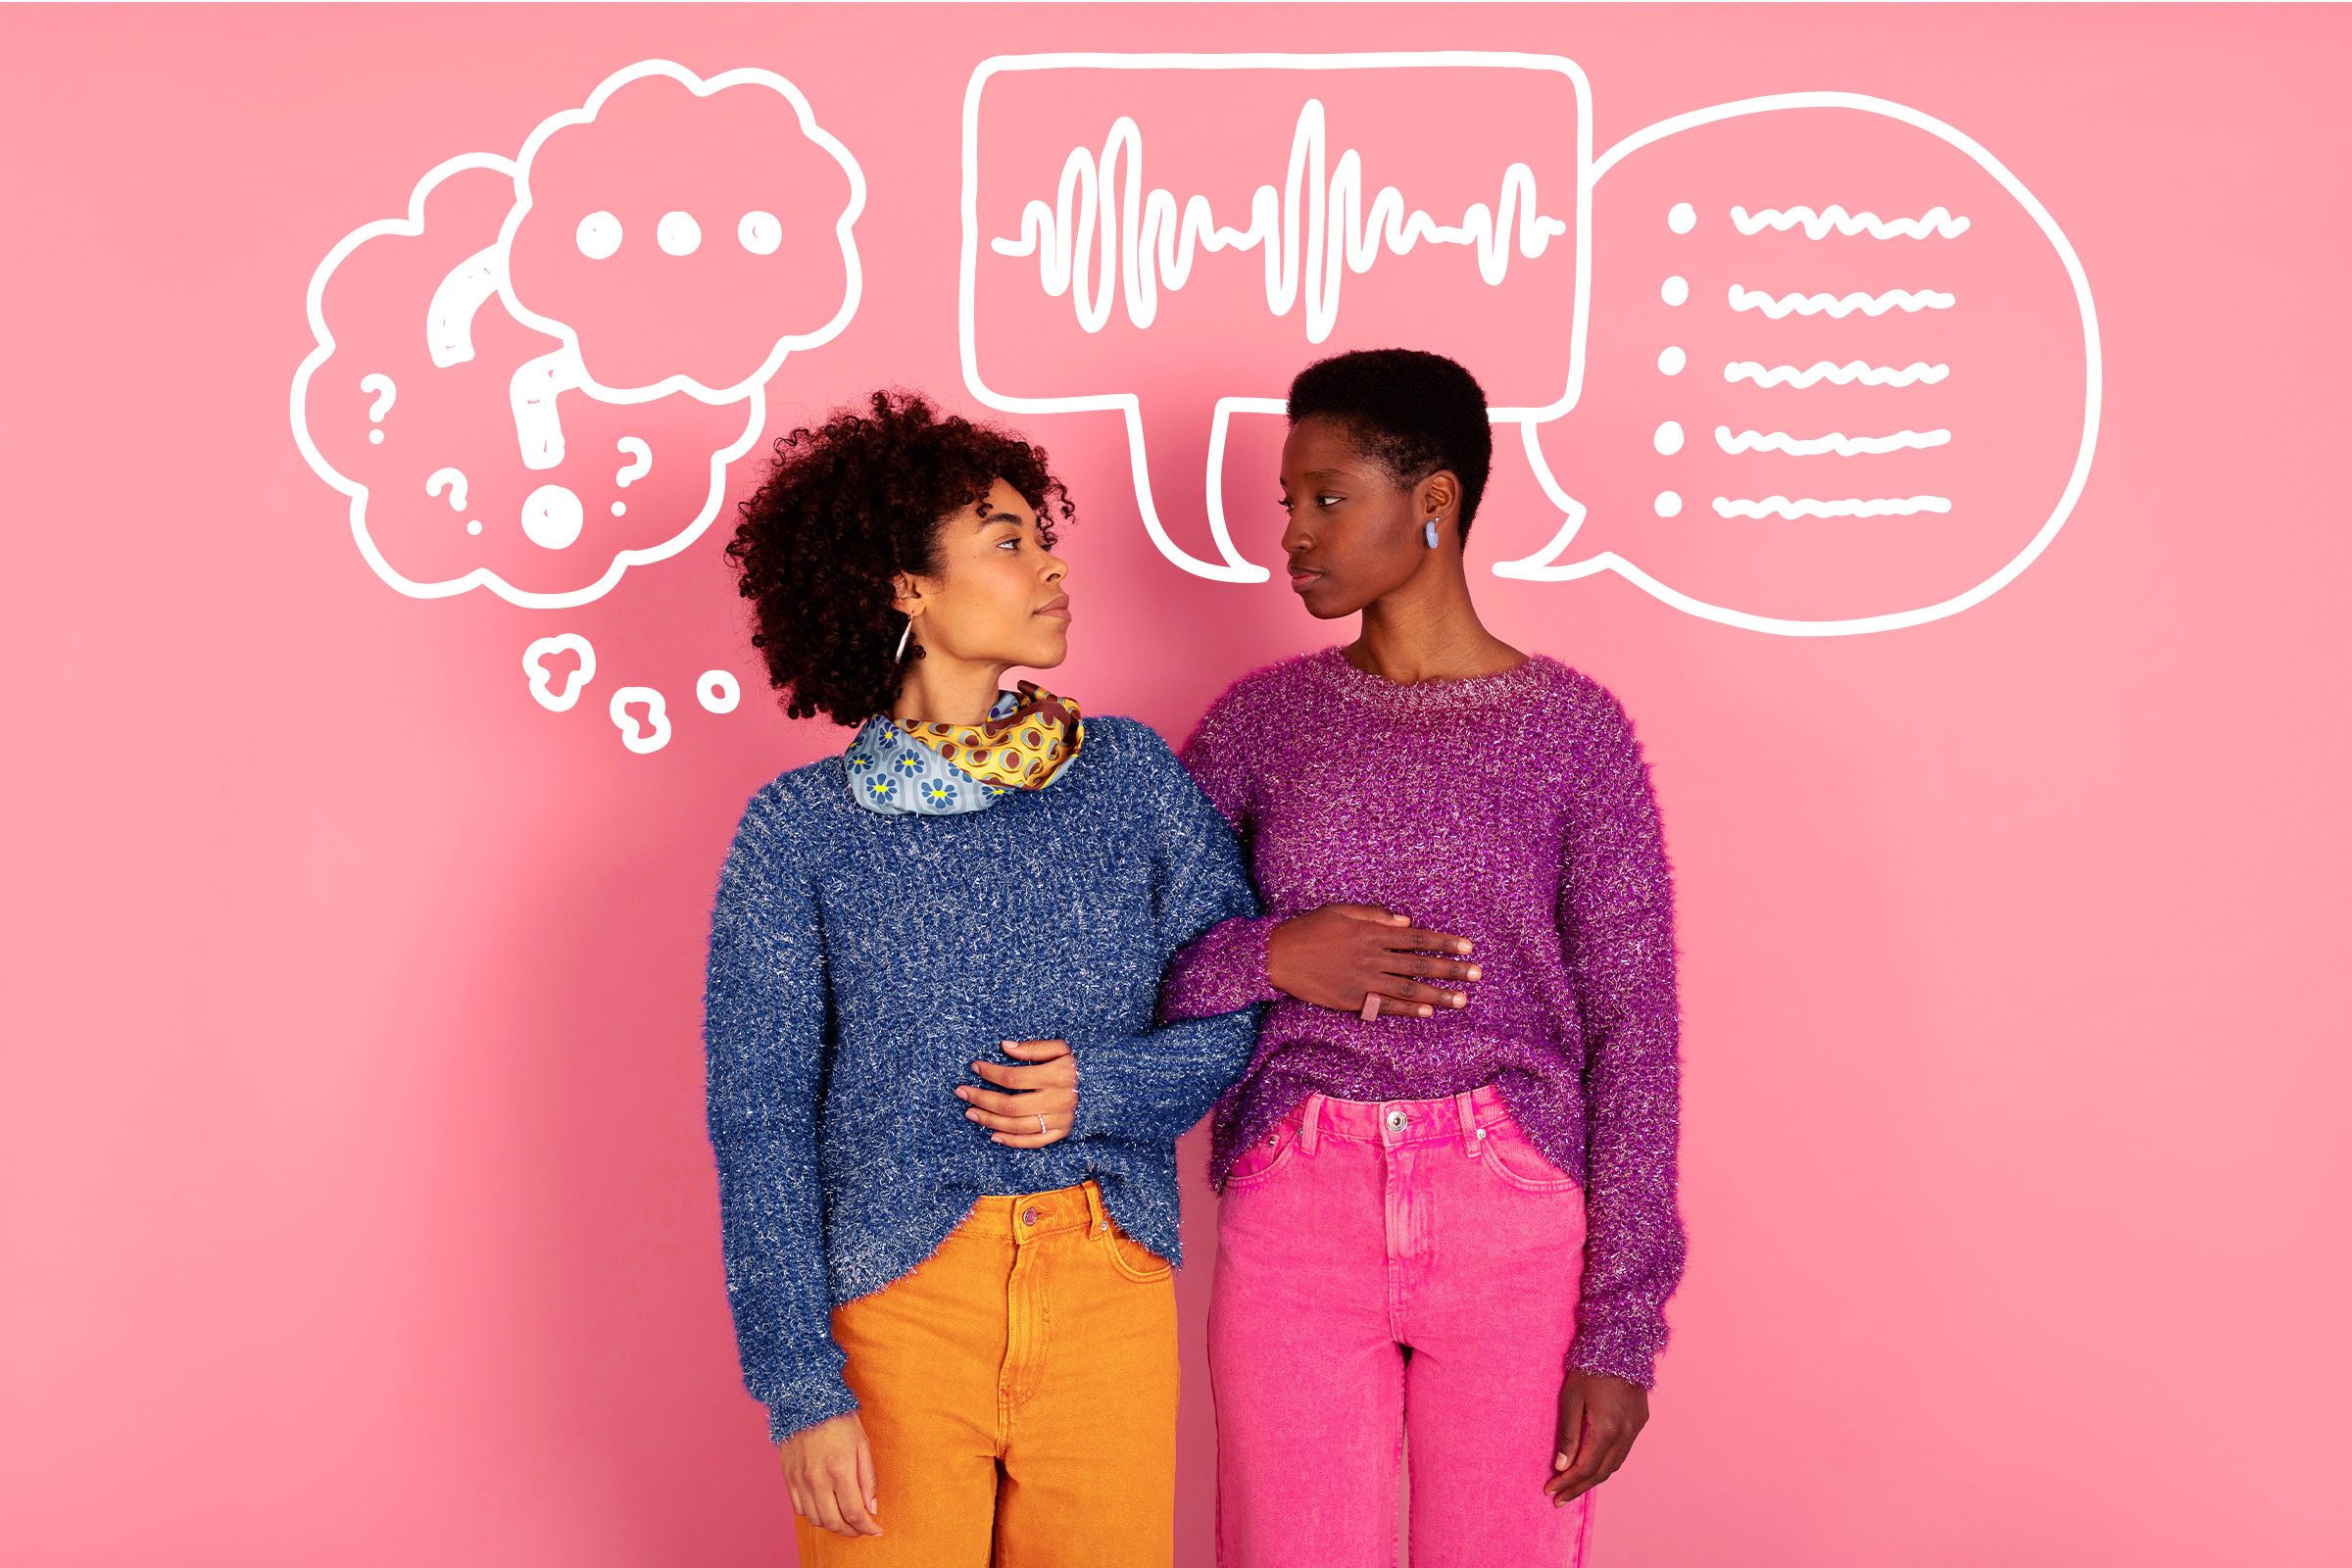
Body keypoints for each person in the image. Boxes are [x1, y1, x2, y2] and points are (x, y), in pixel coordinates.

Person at [700, 388, 1266, 1566]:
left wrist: (1101, 1088)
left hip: (1107, 1281)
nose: (1052, 566)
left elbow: (1233, 994)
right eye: (1009, 541)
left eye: (1043, 537)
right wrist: (801, 1385)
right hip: (895, 1308)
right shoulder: (798, 832)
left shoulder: (1131, 778)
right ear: (908, 587)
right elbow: (758, 1122)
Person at [1156, 348, 1688, 1567]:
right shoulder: (1258, 725)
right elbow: (1140, 968)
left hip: (1513, 1211)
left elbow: (1636, 1029)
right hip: (1298, 1199)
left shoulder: (1572, 732)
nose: (1292, 532)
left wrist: (1620, 1330)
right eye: (1287, 500)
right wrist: (1275, 956)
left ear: (1433, 501)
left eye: (1327, 496)